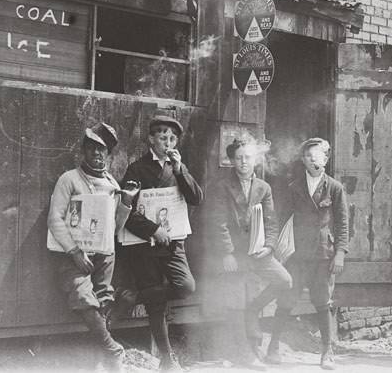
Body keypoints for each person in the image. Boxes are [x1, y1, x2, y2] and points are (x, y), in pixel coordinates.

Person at [47, 122, 140, 371]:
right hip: (74, 255)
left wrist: (126, 202)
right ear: (84, 151)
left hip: (104, 254)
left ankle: (100, 357)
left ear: (108, 155)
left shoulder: (111, 184)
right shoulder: (69, 180)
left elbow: (115, 228)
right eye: (92, 149)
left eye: (102, 150)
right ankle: (112, 349)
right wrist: (75, 252)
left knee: (104, 299)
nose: (97, 154)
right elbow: (55, 218)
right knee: (82, 296)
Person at [118, 115, 203, 372]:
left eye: (172, 138)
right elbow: (126, 212)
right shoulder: (137, 169)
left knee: (186, 286)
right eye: (162, 137)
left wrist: (180, 170)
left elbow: (196, 198)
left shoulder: (178, 168)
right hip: (144, 246)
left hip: (173, 244)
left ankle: (131, 297)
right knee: (157, 304)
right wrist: (154, 230)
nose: (168, 142)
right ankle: (167, 359)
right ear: (151, 139)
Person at [208, 138, 292, 368]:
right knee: (236, 300)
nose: (243, 162)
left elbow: (271, 221)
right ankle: (245, 353)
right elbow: (218, 222)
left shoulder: (264, 188)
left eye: (247, 157)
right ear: (232, 161)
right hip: (233, 255)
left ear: (256, 159)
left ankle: (254, 309)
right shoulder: (222, 186)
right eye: (238, 158)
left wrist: (270, 247)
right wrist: (227, 253)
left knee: (285, 281)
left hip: (258, 251)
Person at [266, 137, 348, 370]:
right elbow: (281, 219)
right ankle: (273, 347)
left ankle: (327, 352)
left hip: (323, 255)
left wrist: (340, 252)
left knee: (323, 302)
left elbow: (342, 224)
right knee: (287, 300)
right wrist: (274, 248)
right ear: (303, 160)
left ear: (327, 158)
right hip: (297, 255)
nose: (314, 159)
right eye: (309, 156)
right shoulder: (294, 188)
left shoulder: (335, 187)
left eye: (319, 155)